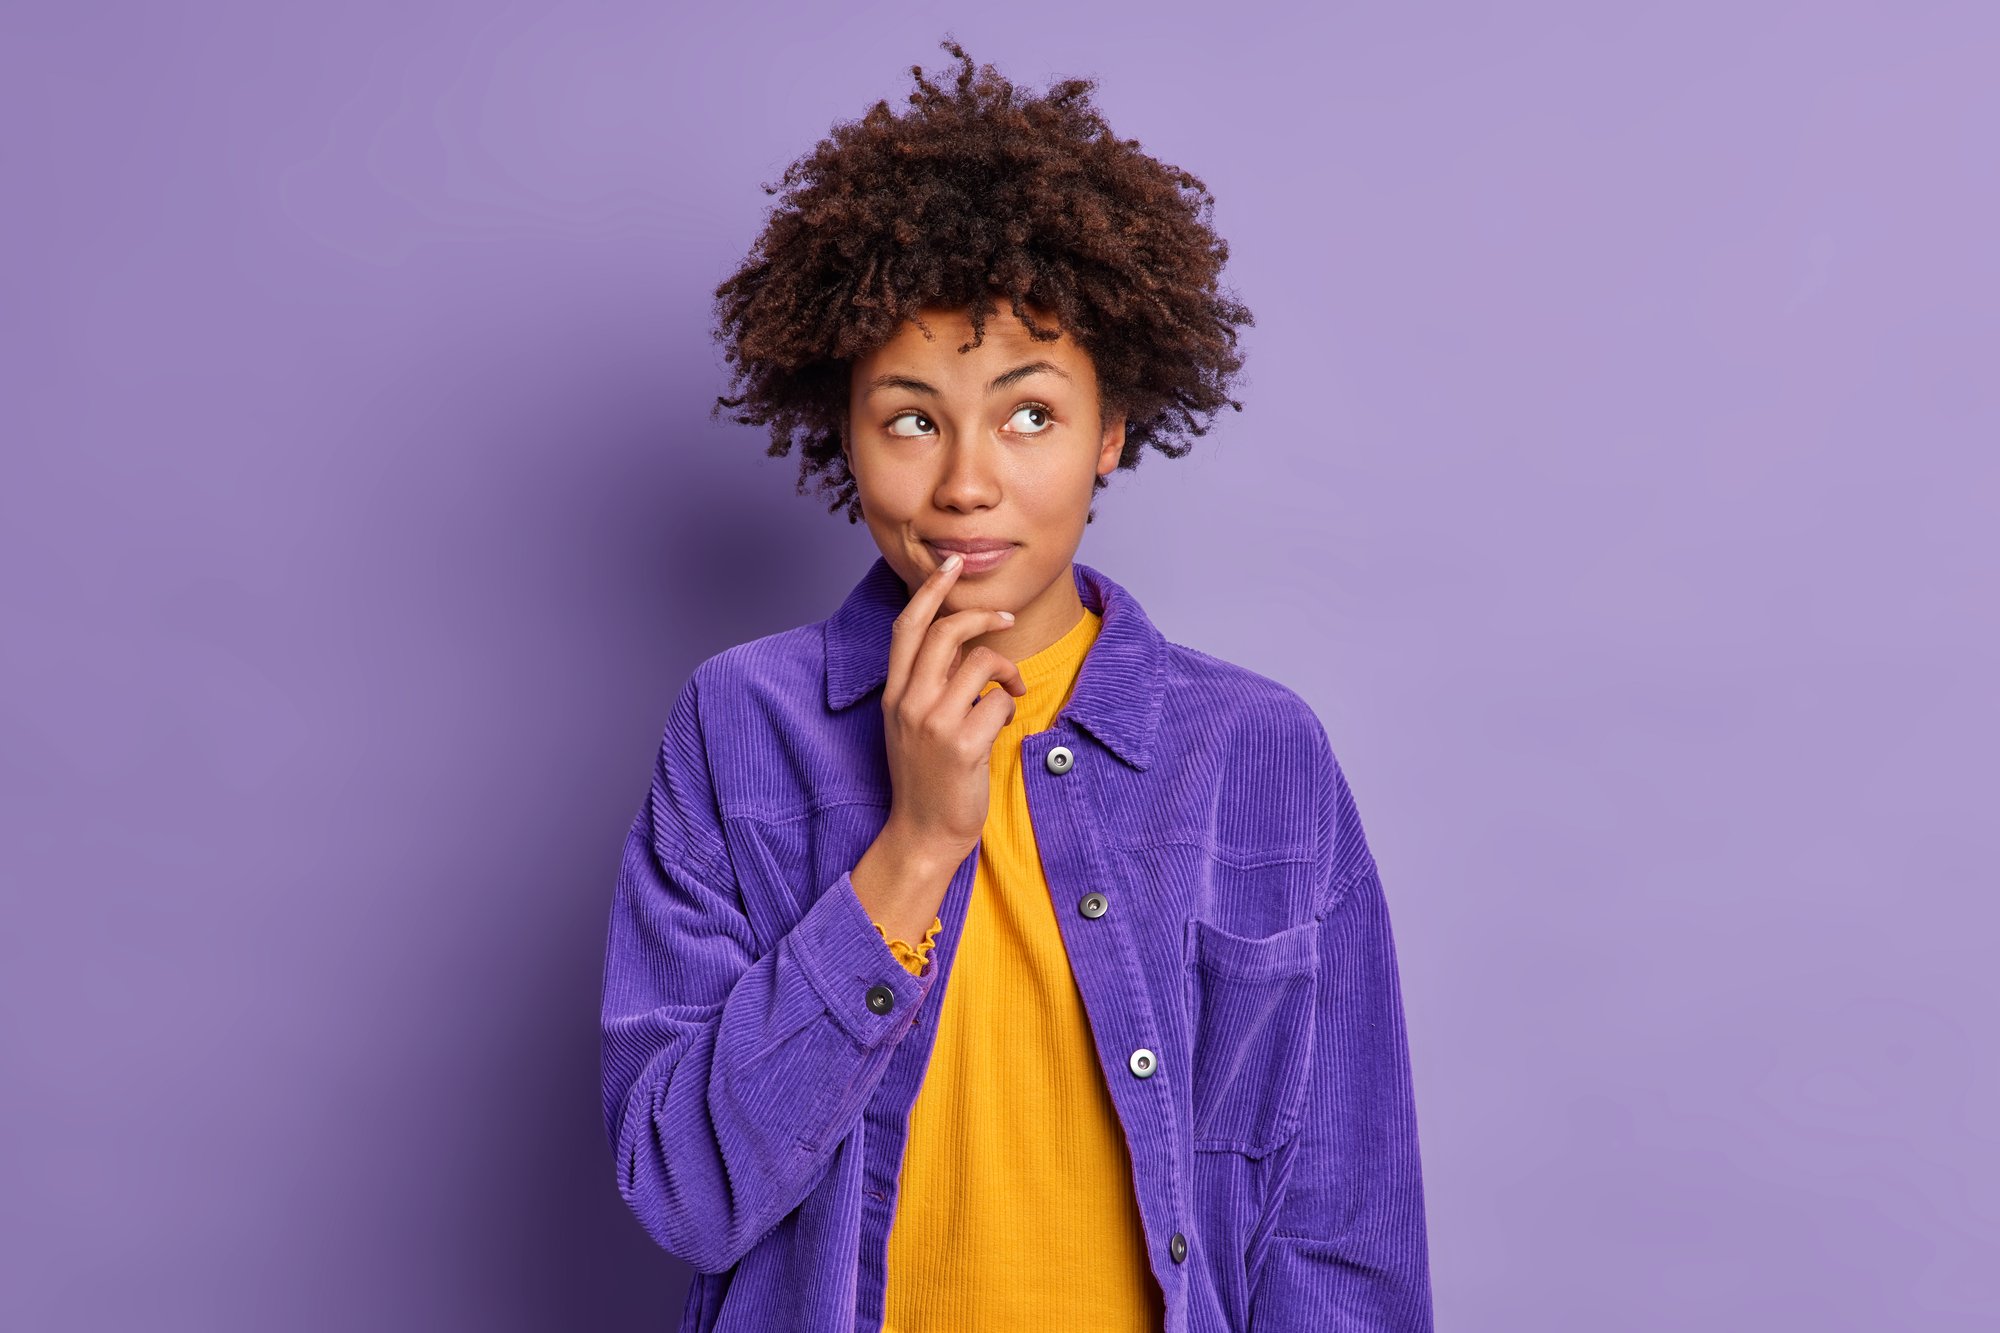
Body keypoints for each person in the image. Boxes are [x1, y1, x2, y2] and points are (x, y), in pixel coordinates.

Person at [599, 38, 1433, 1332]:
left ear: (1112, 428)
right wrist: (917, 845)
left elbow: (1341, 1243)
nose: (968, 483)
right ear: (846, 432)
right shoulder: (737, 730)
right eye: (914, 417)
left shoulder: (1258, 756)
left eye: (1029, 414)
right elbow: (680, 1185)